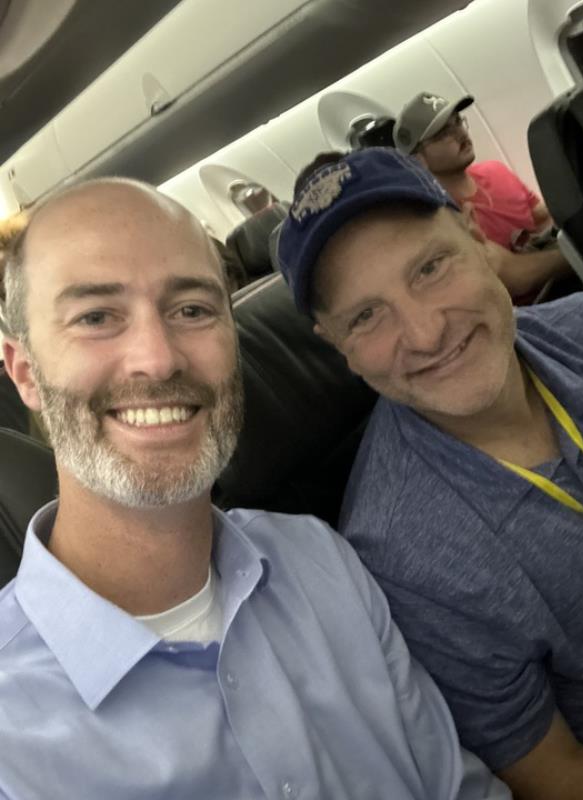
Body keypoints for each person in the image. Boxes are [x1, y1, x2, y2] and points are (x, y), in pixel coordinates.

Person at [0, 177, 508, 800]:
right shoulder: (12, 744)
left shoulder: (318, 557)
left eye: (192, 310)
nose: (158, 360)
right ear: (25, 372)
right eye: (97, 317)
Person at [276, 146, 583, 800]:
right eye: (365, 315)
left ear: (479, 241)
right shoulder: (408, 559)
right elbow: (557, 779)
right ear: (336, 346)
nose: (424, 333)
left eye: (429, 267)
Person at [392, 91, 572, 301]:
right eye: (443, 133)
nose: (460, 133)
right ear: (417, 159)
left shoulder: (495, 171)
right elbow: (517, 278)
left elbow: (537, 216)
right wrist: (579, 251)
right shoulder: (441, 218)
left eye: (458, 122)